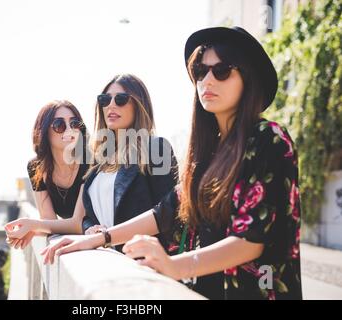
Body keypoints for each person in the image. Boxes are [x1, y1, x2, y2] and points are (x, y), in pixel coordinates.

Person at [40, 27, 302, 300]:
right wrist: (99, 238)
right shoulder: (209, 150)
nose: (207, 80)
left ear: (247, 80)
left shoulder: (268, 138)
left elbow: (250, 241)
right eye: (200, 71)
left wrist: (174, 265)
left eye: (221, 71)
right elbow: (166, 211)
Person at [5, 74, 178, 253]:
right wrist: (90, 230)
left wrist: (104, 237)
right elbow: (89, 216)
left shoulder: (157, 148)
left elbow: (168, 213)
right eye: (105, 100)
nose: (111, 105)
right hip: (107, 259)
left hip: (142, 263)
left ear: (139, 104)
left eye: (120, 99)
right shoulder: (101, 157)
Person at [6, 100, 88, 250]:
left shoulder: (89, 161)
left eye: (75, 124)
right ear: (44, 131)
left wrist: (34, 226)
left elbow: (77, 224)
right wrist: (36, 228)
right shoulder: (36, 168)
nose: (69, 130)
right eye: (59, 125)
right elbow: (49, 220)